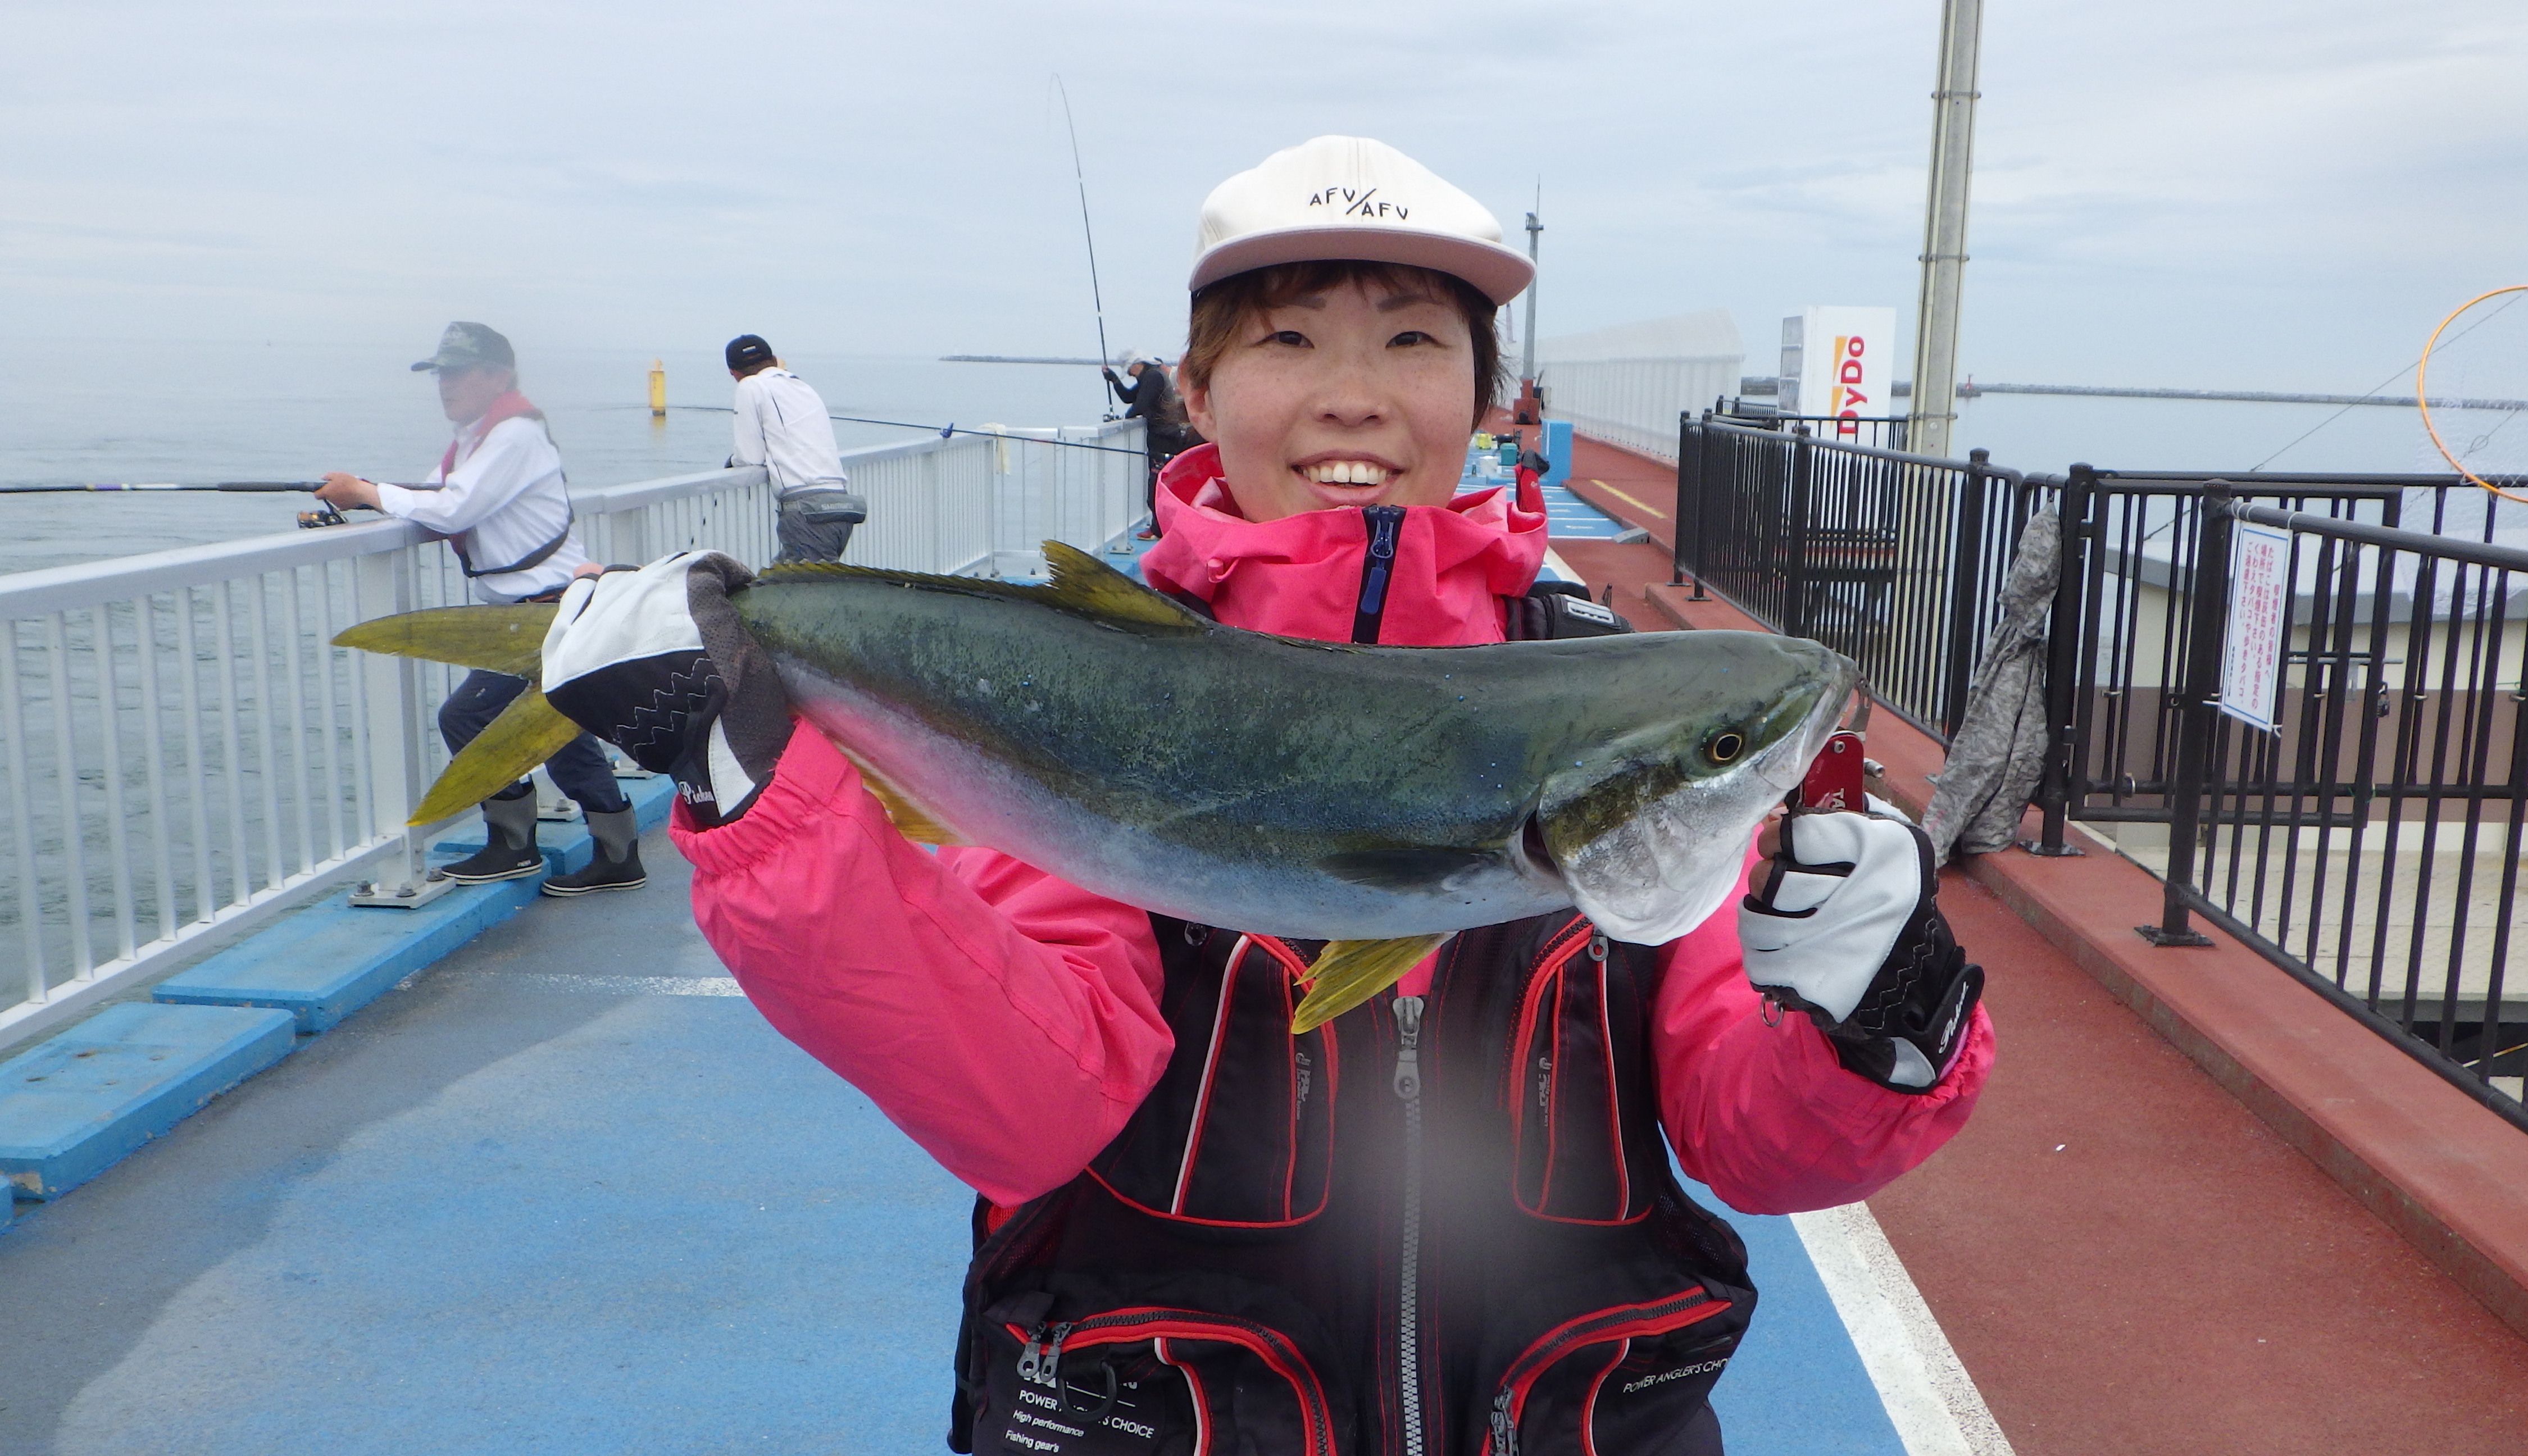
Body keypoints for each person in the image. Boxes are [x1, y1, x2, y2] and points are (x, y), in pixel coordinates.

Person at [538, 136, 1991, 1454]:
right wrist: (760, 798)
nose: (1352, 390)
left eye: (1413, 340)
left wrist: (1873, 1009)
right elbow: (1025, 1111)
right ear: (1198, 390)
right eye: (1289, 338)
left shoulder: (1602, 707)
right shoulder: (1098, 672)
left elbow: (1763, 1144)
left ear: (1485, 396)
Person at [316, 322, 645, 897]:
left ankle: (515, 845)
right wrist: (360, 500)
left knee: (468, 718)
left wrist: (367, 493)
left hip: (541, 611)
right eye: (441, 373)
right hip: (534, 611)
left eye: (460, 372)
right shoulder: (477, 439)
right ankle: (616, 853)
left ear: (499, 376)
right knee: (557, 727)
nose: (447, 384)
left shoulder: (514, 435)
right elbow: (430, 501)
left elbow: (455, 508)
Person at [724, 334, 869, 563]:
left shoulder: (750, 386)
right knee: (791, 582)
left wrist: (733, 462)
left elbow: (749, 457)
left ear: (734, 372)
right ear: (773, 360)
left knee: (799, 591)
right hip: (840, 505)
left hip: (807, 512)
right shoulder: (802, 386)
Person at [1103, 350, 1196, 539]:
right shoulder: (1149, 376)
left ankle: (1158, 530)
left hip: (1165, 438)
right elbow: (1129, 398)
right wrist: (1114, 380)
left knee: (1157, 482)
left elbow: (1141, 405)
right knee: (1160, 481)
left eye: (1128, 370)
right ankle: (1162, 527)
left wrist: (1123, 419)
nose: (1129, 374)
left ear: (1136, 364)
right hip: (1161, 437)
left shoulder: (1153, 377)